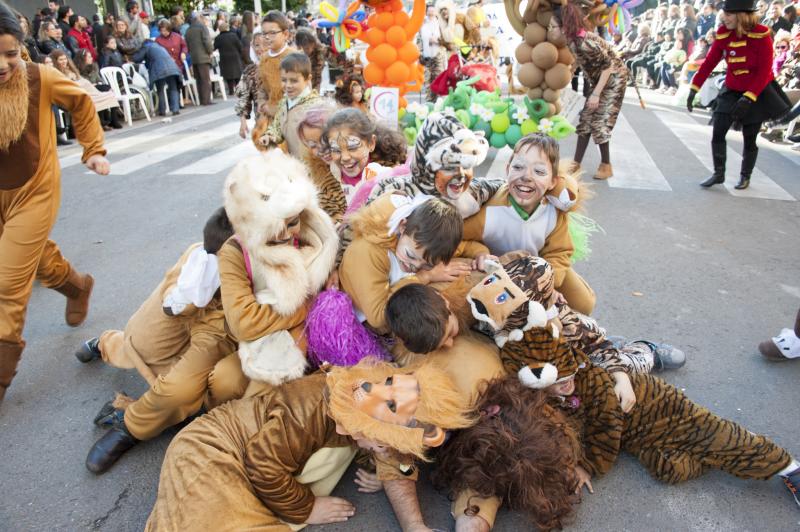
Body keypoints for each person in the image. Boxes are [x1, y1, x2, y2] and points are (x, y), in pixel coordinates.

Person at [467, 254, 800, 512]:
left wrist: (619, 383)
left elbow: (601, 365)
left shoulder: (570, 334)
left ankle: (788, 467)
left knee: (713, 433)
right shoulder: (508, 335)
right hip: (624, 422)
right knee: (667, 469)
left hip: (640, 394)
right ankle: (708, 454)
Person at [144, 359, 473, 529]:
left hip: (240, 460)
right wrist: (308, 508)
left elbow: (395, 455)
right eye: (381, 444)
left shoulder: (369, 403)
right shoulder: (316, 408)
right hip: (210, 449)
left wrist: (415, 524)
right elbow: (263, 463)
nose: (381, 450)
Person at [0, 2, 109, 402]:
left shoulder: (40, 76)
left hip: (34, 190)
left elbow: (80, 102)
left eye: (11, 53)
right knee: (32, 257)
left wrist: (93, 149)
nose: (3, 64)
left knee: (7, 283)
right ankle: (77, 288)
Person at [79, 208, 238, 474]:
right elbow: (173, 302)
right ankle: (106, 344)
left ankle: (133, 424)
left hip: (224, 324)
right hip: (194, 297)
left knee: (190, 389)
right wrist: (189, 293)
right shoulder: (206, 253)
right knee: (140, 345)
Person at [208, 150, 338, 400]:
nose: (285, 235)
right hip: (259, 341)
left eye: (292, 223)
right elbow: (244, 323)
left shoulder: (322, 242)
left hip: (314, 342)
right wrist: (307, 305)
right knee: (224, 382)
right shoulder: (235, 251)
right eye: (271, 228)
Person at [461, 133, 597, 315]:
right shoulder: (490, 211)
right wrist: (478, 252)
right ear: (507, 169)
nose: (526, 176)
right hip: (496, 270)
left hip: (538, 269)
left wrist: (546, 283)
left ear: (552, 182)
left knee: (584, 303)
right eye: (518, 167)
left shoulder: (554, 213)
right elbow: (457, 238)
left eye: (539, 172)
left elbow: (559, 252)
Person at [339, 194, 488, 335]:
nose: (415, 266)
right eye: (410, 256)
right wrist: (425, 275)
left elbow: (467, 246)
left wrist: (481, 254)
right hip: (355, 321)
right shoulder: (370, 252)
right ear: (402, 227)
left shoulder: (424, 246)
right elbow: (377, 317)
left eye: (428, 264)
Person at [687, 0, 791, 190]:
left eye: (729, 14)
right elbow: (710, 61)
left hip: (757, 91)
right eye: (724, 13)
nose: (724, 17)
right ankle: (718, 173)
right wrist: (694, 87)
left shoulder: (762, 35)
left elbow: (764, 71)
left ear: (742, 15)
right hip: (732, 88)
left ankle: (745, 176)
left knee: (750, 137)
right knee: (718, 129)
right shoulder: (724, 33)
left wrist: (749, 96)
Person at [364, 112, 499, 220]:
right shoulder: (392, 190)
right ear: (428, 168)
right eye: (449, 168)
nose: (461, 175)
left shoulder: (474, 192)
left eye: (466, 166)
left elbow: (505, 187)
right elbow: (362, 228)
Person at [551, 3, 628, 180]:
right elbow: (580, 61)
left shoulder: (585, 43)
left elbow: (608, 66)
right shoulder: (572, 41)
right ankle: (575, 164)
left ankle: (606, 165)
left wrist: (596, 94)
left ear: (564, 27)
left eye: (553, 26)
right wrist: (569, 75)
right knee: (585, 119)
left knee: (599, 122)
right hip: (600, 78)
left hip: (614, 79)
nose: (550, 30)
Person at [320, 108, 409, 206]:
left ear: (371, 143)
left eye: (352, 147)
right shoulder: (328, 182)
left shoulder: (387, 179)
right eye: (336, 150)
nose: (345, 157)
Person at [257, 52, 323, 157]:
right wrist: (270, 136)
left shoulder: (315, 107)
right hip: (295, 162)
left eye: (294, 81)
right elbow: (277, 126)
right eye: (284, 80)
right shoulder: (284, 103)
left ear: (308, 79)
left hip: (313, 164)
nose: (288, 85)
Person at [296, 104, 349, 222]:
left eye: (325, 141)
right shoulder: (316, 177)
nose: (321, 150)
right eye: (313, 145)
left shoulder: (366, 166)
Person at [258, 11, 295, 126]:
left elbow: (303, 92)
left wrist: (279, 110)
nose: (267, 37)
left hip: (292, 119)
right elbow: (261, 87)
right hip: (270, 119)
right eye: (264, 33)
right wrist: (263, 104)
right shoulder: (264, 58)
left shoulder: (294, 57)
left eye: (272, 33)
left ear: (285, 34)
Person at [73, 49, 123, 130]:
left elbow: (99, 79)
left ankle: (114, 118)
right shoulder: (78, 70)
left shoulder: (94, 67)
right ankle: (102, 120)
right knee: (101, 92)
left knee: (108, 89)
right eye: (89, 57)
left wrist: (98, 83)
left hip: (96, 87)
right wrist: (92, 85)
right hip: (87, 90)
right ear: (83, 58)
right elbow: (83, 83)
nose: (91, 58)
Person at [132, 40, 182, 116]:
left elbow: (137, 59)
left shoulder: (147, 46)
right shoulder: (160, 47)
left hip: (159, 69)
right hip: (173, 67)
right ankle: (175, 109)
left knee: (160, 89)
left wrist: (131, 55)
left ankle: (162, 110)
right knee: (173, 88)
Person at [234, 32, 267, 140]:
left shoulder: (281, 65)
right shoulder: (250, 71)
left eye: (264, 44)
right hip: (262, 121)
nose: (260, 48)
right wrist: (243, 122)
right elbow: (243, 95)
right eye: (257, 45)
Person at [185, 13, 213, 105]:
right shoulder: (202, 27)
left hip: (194, 57)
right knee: (205, 79)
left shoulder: (188, 30)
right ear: (197, 19)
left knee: (199, 80)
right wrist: (210, 52)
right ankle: (206, 100)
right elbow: (207, 41)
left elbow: (187, 45)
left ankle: (201, 99)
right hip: (203, 57)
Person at [213, 21, 242, 94]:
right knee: (237, 74)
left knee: (228, 76)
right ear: (227, 28)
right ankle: (239, 89)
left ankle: (231, 90)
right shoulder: (234, 35)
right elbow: (240, 46)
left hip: (224, 58)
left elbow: (214, 48)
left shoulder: (218, 38)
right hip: (235, 57)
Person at [293, 27, 326, 92]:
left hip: (315, 87)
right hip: (299, 86)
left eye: (307, 48)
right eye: (302, 48)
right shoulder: (296, 52)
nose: (305, 50)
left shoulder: (321, 50)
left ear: (313, 43)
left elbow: (340, 62)